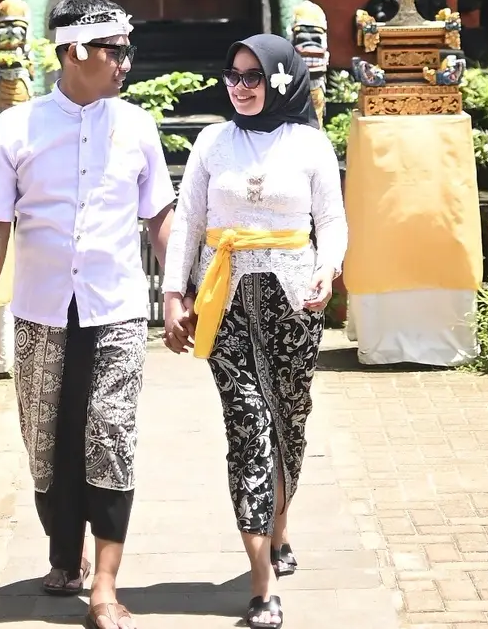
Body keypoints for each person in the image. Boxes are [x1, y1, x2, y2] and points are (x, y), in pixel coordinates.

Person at [0, 0, 174, 629]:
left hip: (117, 309)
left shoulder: (136, 126)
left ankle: (106, 583)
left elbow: (159, 218)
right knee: (46, 440)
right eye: (116, 51)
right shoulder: (14, 130)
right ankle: (65, 554)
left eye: (128, 50)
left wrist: (178, 292)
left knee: (110, 435)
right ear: (76, 52)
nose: (126, 63)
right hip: (41, 310)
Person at [162, 34, 347, 629]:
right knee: (247, 427)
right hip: (225, 299)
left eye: (253, 76)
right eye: (233, 76)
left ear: (281, 79)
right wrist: (172, 293)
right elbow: (188, 220)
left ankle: (280, 526)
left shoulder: (310, 143)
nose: (239, 87)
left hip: (294, 302)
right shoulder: (212, 142)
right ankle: (261, 583)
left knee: (289, 421)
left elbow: (332, 220)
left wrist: (327, 268)